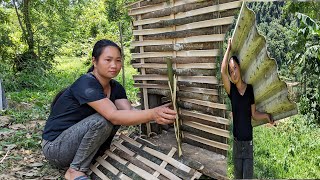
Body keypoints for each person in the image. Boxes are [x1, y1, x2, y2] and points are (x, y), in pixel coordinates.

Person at [41, 39, 176, 180]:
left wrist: (163, 110)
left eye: (118, 60)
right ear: (94, 61)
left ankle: (94, 156)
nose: (114, 65)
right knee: (104, 119)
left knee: (114, 116)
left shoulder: (116, 87)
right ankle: (75, 171)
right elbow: (113, 115)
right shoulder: (86, 83)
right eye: (108, 60)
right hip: (55, 148)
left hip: (76, 145)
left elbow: (129, 113)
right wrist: (152, 114)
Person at [221, 38, 274, 179]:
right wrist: (228, 48)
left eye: (235, 68)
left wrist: (267, 116)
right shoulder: (231, 91)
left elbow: (254, 114)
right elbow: (222, 72)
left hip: (248, 144)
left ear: (240, 67)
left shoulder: (249, 89)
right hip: (237, 144)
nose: (233, 73)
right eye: (231, 71)